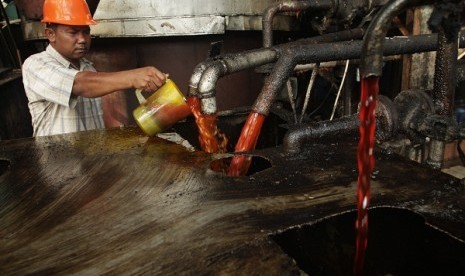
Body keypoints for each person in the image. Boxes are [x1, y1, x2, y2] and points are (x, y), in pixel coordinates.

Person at [22, 0, 167, 137]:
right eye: (73, 32)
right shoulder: (35, 65)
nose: (82, 39)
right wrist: (133, 77)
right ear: (51, 34)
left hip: (91, 159)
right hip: (56, 161)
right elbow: (78, 84)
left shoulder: (88, 67)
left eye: (86, 32)